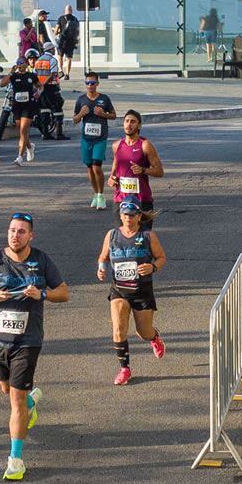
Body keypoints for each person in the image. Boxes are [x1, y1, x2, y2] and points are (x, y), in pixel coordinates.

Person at [0, 212, 69, 482]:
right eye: (12, 230)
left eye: (22, 231)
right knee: (8, 390)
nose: (15, 235)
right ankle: (31, 401)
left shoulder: (41, 260)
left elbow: (64, 292)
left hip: (28, 341)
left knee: (15, 398)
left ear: (30, 236)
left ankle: (15, 459)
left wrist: (42, 293)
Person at [97, 199, 167, 385]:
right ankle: (124, 368)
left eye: (132, 215)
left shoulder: (147, 236)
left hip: (142, 291)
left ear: (139, 216)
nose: (128, 218)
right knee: (119, 329)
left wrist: (152, 267)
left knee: (143, 331)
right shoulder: (112, 235)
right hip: (119, 290)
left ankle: (154, 337)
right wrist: (102, 268)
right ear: (120, 216)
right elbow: (103, 257)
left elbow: (161, 258)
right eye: (125, 215)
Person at [107, 110, 164, 226]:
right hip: (121, 200)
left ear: (139, 125)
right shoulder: (116, 145)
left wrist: (143, 170)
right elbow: (116, 163)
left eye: (133, 122)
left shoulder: (145, 145)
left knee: (142, 239)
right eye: (126, 121)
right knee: (123, 236)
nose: (129, 124)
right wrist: (111, 178)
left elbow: (159, 171)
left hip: (141, 200)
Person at [72, 72, 116, 209]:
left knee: (97, 166)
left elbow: (114, 115)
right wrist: (81, 114)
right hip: (86, 138)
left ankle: (101, 195)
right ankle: (96, 194)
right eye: (87, 83)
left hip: (100, 138)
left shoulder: (104, 99)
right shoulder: (81, 100)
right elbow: (75, 120)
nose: (90, 85)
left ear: (97, 84)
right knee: (90, 168)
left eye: (92, 83)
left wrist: (103, 114)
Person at [0, 50, 41, 164]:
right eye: (19, 65)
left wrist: (38, 93)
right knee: (22, 131)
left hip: (29, 105)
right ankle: (29, 147)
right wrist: (11, 73)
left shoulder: (32, 75)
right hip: (17, 106)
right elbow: (2, 84)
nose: (21, 67)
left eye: (23, 65)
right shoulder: (14, 76)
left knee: (23, 130)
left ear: (26, 65)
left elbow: (40, 87)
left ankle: (20, 157)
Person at [33, 41, 68, 141]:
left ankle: (45, 133)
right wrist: (44, 84)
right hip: (51, 88)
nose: (54, 50)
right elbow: (53, 74)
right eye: (53, 49)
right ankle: (59, 133)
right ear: (51, 49)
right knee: (57, 110)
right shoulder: (52, 60)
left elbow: (35, 76)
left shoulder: (38, 60)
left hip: (41, 88)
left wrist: (39, 87)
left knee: (44, 110)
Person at [54, 4, 80, 80]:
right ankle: (67, 74)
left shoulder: (61, 18)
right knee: (68, 58)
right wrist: (76, 40)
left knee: (60, 56)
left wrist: (57, 32)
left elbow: (56, 31)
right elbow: (77, 31)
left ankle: (61, 70)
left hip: (62, 41)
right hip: (71, 42)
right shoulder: (75, 19)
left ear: (65, 11)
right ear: (71, 11)